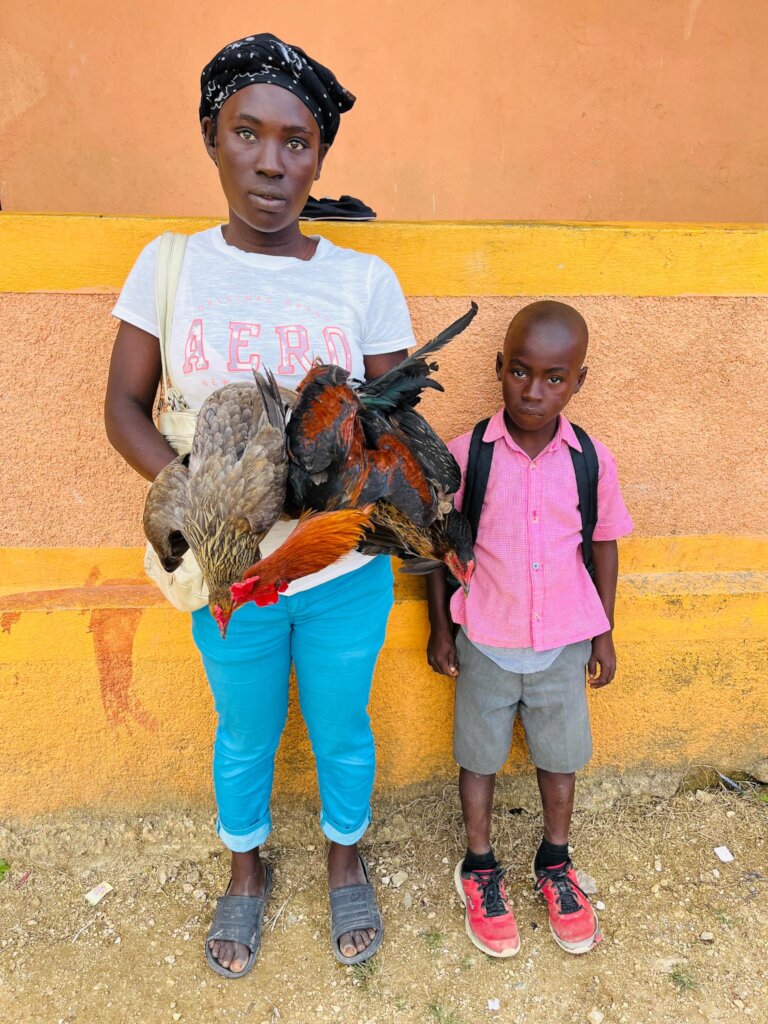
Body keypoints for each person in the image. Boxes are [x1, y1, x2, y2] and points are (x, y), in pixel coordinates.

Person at [105, 33, 416, 977]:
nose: (272, 163)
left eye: (297, 142)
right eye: (248, 133)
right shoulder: (168, 265)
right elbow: (124, 407)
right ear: (212, 136)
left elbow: (397, 431)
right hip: (228, 577)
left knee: (342, 726)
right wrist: (213, 506)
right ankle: (245, 870)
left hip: (342, 574)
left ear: (321, 155)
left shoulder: (364, 281)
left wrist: (340, 487)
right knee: (244, 728)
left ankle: (343, 856)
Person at [426, 300, 633, 957]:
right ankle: (480, 868)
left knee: (561, 756)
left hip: (565, 641)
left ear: (579, 382)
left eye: (553, 377)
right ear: (498, 369)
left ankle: (555, 861)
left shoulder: (591, 460)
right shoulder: (464, 456)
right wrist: (440, 629)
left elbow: (603, 546)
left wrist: (603, 633)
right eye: (519, 372)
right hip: (484, 635)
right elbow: (436, 546)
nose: (534, 390)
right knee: (479, 757)